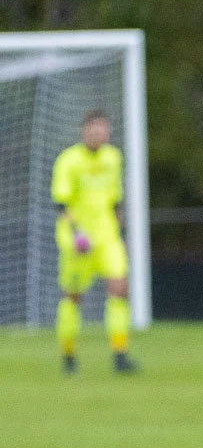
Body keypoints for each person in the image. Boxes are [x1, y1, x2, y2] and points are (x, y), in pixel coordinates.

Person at [52, 111, 137, 374]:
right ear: (85, 131)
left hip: (107, 237)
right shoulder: (69, 160)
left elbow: (115, 201)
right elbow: (60, 203)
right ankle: (68, 356)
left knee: (120, 288)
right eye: (95, 130)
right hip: (78, 241)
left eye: (104, 131)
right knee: (73, 297)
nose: (100, 135)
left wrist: (120, 237)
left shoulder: (113, 158)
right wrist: (77, 233)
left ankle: (120, 354)